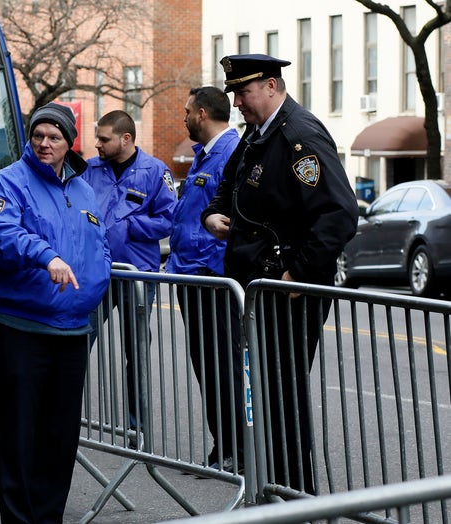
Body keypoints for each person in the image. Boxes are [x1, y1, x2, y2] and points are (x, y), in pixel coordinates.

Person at [202, 54, 358, 494]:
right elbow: (227, 188)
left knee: (283, 400)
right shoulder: (257, 135)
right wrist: (212, 216)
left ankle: (295, 500)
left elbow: (339, 213)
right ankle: (275, 493)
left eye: (244, 92)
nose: (236, 103)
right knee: (266, 399)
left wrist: (298, 274)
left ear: (271, 86)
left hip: (286, 291)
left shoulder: (298, 136)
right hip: (258, 288)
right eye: (233, 93)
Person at [0, 102, 111, 523]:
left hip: (72, 329)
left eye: (54, 136)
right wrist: (45, 255)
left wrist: (98, 278)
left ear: (70, 141)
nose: (44, 143)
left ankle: (49, 517)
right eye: (38, 135)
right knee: (20, 433)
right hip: (18, 327)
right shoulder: (7, 183)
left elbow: (98, 243)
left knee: (60, 436)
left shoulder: (83, 189)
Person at [82, 109, 176, 448]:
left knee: (136, 351)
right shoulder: (89, 170)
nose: (98, 144)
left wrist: (130, 227)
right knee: (78, 339)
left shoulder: (155, 171)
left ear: (126, 138)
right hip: (97, 272)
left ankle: (138, 429)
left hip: (137, 273)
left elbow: (169, 219)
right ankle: (63, 415)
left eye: (104, 139)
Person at [165, 86, 243, 471]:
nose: (183, 117)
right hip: (193, 277)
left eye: (186, 111)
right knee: (207, 366)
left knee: (222, 366)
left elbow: (229, 224)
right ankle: (223, 445)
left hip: (211, 279)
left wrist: (209, 269)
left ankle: (237, 449)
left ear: (201, 114)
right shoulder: (205, 156)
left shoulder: (230, 154)